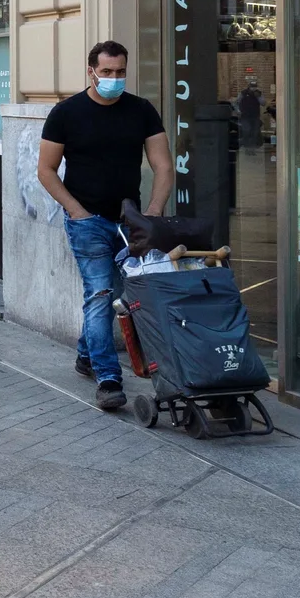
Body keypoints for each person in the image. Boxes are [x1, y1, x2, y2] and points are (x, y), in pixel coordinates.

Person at [35, 41, 175, 411]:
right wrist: (75, 211)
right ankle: (109, 378)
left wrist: (154, 211)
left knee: (116, 291)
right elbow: (46, 170)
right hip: (88, 222)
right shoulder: (66, 113)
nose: (114, 79)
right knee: (99, 294)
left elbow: (163, 164)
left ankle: (87, 354)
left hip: (130, 221)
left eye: (120, 72)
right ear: (91, 71)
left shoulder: (141, 111)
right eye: (107, 72)